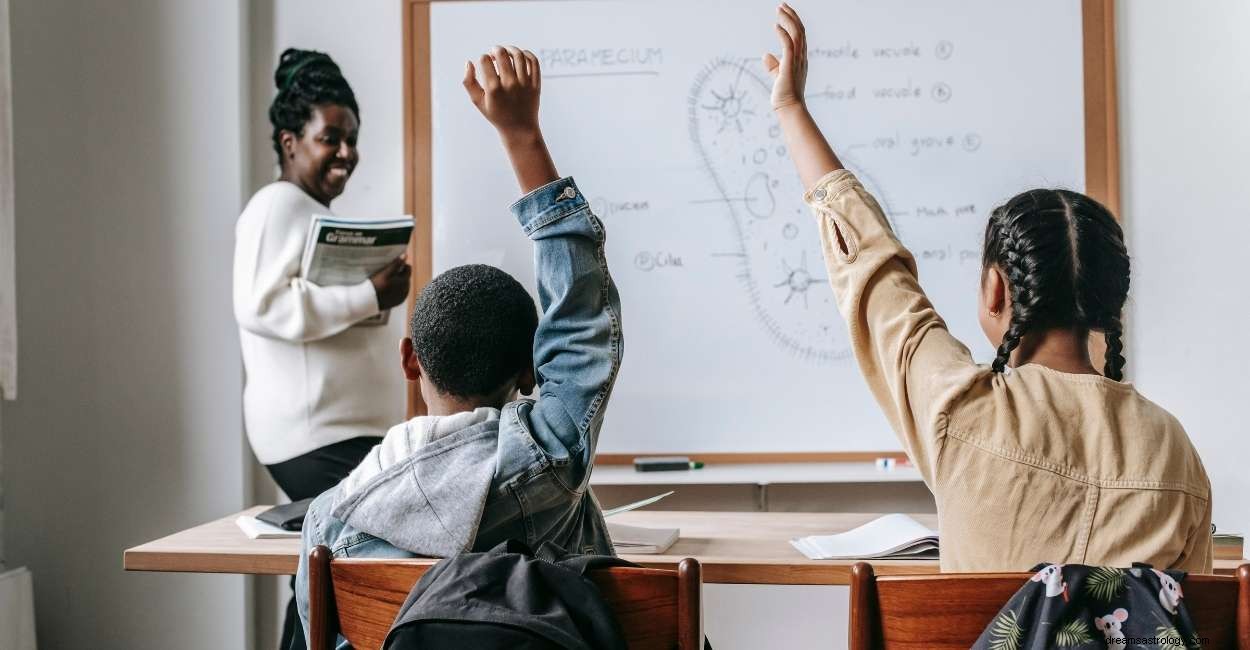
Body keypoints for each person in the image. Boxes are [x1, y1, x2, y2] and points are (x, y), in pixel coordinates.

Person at [765, 3, 1211, 572]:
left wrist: (791, 109)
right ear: (1110, 301)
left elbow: (876, 271)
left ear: (996, 291)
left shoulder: (961, 411)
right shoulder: (1175, 453)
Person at [294, 44, 624, 640]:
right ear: (530, 372)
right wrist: (522, 135)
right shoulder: (546, 464)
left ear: (408, 359)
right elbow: (580, 326)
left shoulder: (331, 521)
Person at [233, 48, 410, 649]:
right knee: (349, 562)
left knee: (326, 561)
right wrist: (368, 294)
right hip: (315, 434)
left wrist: (380, 297)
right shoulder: (276, 205)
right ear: (290, 142)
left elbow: (320, 317)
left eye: (352, 139)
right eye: (330, 136)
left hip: (340, 431)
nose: (346, 152)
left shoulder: (307, 213)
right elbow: (262, 306)